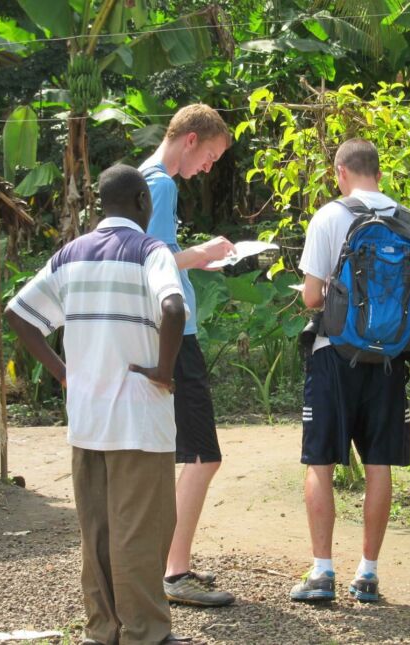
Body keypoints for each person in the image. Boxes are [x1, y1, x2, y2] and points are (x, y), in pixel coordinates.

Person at [5, 164, 199, 644]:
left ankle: (102, 629)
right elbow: (173, 308)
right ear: (140, 202)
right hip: (139, 416)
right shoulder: (149, 250)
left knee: (96, 533)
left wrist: (63, 373)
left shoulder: (70, 255)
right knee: (142, 529)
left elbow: (19, 313)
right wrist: (164, 370)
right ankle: (146, 633)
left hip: (87, 419)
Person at [291, 138, 410, 603]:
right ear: (378, 171)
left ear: (341, 172)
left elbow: (312, 298)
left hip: (335, 353)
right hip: (390, 360)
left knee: (320, 462)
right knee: (379, 465)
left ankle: (322, 571)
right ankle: (368, 573)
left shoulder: (330, 216)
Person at [139, 104, 236, 607]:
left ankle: (166, 566)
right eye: (212, 157)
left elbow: (151, 252)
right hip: (175, 333)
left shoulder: (143, 180)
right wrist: (199, 255)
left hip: (159, 331)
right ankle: (173, 572)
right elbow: (147, 260)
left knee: (178, 454)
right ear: (192, 140)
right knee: (203, 454)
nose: (208, 169)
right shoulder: (161, 183)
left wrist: (199, 259)